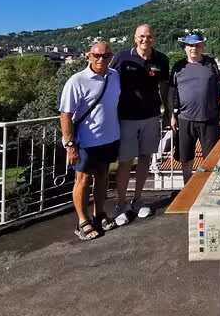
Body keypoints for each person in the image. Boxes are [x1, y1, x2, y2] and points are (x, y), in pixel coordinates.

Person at [59, 42, 121, 241]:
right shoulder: (77, 81)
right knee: (83, 180)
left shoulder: (114, 76)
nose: (100, 59)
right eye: (96, 55)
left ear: (111, 57)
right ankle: (82, 221)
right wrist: (70, 145)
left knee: (103, 176)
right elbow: (65, 115)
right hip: (84, 141)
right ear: (88, 56)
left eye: (105, 56)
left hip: (109, 137)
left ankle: (99, 214)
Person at [109, 24, 170, 225]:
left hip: (152, 116)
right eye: (142, 36)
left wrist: (168, 111)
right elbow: (108, 83)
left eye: (149, 36)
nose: (146, 39)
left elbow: (164, 87)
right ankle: (120, 204)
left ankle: (137, 200)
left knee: (145, 158)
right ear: (135, 38)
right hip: (126, 117)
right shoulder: (121, 57)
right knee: (126, 161)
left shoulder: (162, 59)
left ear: (154, 38)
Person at [170, 31, 220, 183]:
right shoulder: (178, 66)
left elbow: (219, 87)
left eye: (197, 45)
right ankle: (187, 186)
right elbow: (172, 91)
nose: (194, 48)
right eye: (190, 45)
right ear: (185, 48)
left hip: (209, 118)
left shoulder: (211, 64)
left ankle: (205, 187)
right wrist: (171, 115)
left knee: (211, 158)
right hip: (185, 118)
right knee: (185, 158)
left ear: (202, 46)